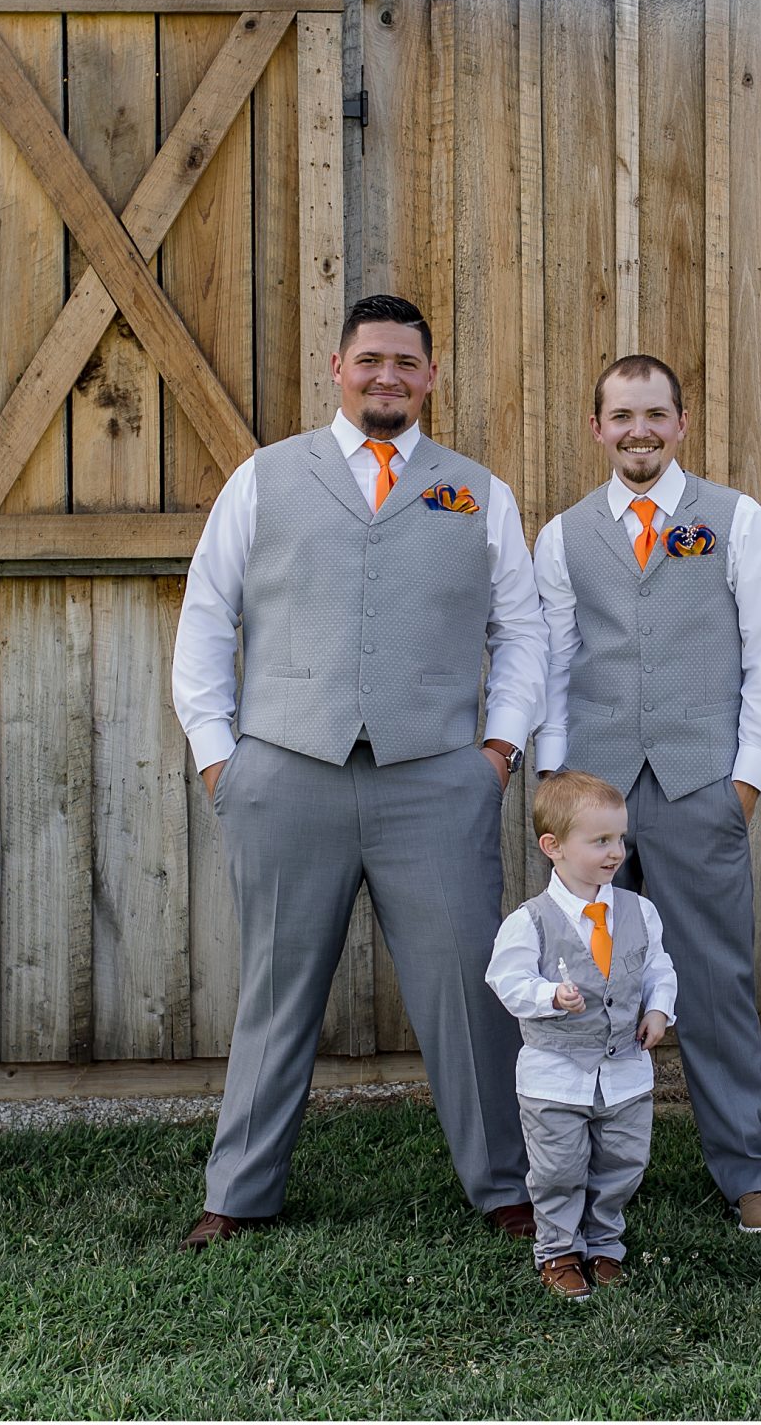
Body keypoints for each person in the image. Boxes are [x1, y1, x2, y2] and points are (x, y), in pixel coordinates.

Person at [171, 293, 545, 1249]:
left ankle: (507, 1186)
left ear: (429, 377)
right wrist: (221, 758)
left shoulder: (476, 491)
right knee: (275, 987)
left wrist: (496, 753)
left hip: (434, 780)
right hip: (286, 772)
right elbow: (208, 618)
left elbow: (523, 631)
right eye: (370, 359)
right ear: (337, 368)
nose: (388, 376)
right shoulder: (264, 478)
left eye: (406, 363)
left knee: (467, 990)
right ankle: (239, 1194)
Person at [531, 354, 761, 1233]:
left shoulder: (735, 520)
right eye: (620, 416)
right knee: (582, 985)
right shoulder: (563, 535)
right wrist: (554, 785)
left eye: (654, 415)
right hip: (593, 797)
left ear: (681, 423)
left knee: (713, 983)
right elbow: (555, 666)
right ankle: (586, 1178)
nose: (637, 431)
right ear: (598, 428)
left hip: (696, 787)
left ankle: (749, 1173)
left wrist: (746, 784)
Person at [485, 771, 678, 1299]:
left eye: (619, 838)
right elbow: (506, 980)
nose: (616, 852)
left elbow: (658, 967)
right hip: (556, 1078)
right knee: (558, 1169)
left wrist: (659, 1011)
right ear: (554, 848)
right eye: (600, 841)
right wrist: (550, 996)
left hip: (624, 1073)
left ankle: (604, 1246)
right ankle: (559, 1252)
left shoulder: (639, 912)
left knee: (622, 1164)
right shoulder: (531, 922)